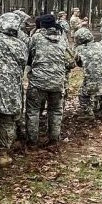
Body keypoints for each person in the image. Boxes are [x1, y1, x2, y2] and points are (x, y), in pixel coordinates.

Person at [25, 14, 75, 148]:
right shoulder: (62, 39)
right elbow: (71, 62)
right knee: (56, 111)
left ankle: (32, 142)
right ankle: (53, 140)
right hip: (57, 82)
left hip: (37, 82)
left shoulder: (36, 37)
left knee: (33, 111)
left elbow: (28, 56)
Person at [0, 13, 28, 167]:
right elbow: (23, 64)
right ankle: (2, 154)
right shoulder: (21, 45)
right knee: (7, 120)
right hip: (11, 88)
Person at [74, 27, 102, 118]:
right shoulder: (99, 45)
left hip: (91, 76)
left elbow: (78, 63)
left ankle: (88, 113)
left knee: (83, 94)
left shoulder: (79, 49)